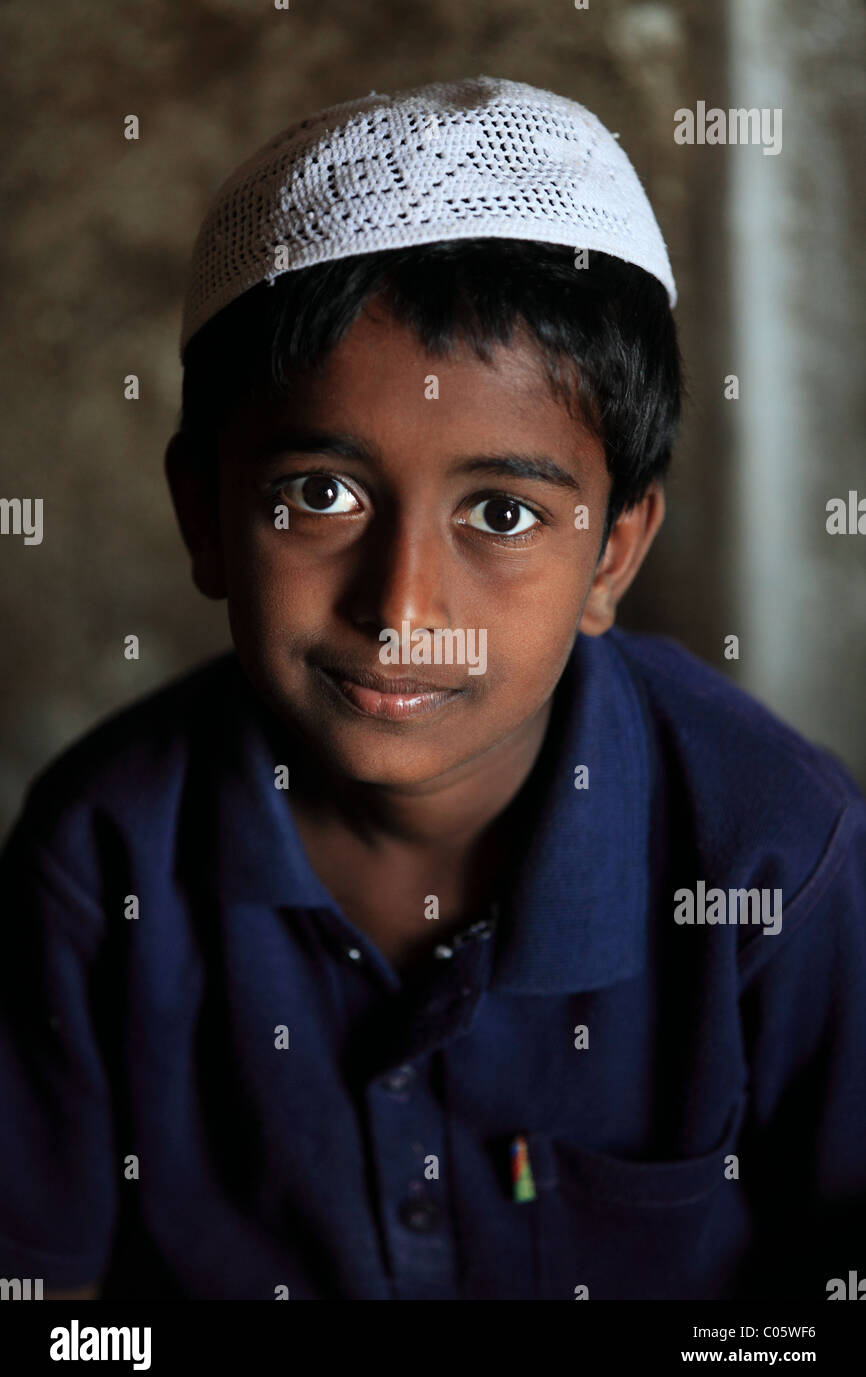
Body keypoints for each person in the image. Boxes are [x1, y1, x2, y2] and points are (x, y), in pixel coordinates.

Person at [1, 76, 863, 1301]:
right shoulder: (100, 861)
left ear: (611, 553)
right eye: (318, 495)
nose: (400, 610)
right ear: (203, 517)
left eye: (502, 512)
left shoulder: (773, 859)